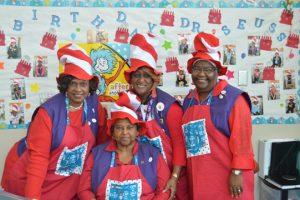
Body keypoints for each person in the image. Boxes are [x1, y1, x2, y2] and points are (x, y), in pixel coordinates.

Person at [1, 43, 108, 199]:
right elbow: (38, 159)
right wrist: (32, 198)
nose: (78, 89)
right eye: (73, 83)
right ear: (65, 85)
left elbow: (101, 145)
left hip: (68, 181)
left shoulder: (93, 105)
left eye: (83, 84)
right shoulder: (48, 112)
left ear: (90, 85)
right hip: (31, 177)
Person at [182, 32, 257, 199]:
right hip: (199, 177)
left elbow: (242, 140)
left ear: (217, 72)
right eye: (196, 68)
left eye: (208, 69)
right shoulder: (188, 100)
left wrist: (237, 172)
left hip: (228, 177)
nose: (201, 74)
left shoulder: (234, 99)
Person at [116, 33, 188, 200]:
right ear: (131, 78)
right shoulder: (124, 102)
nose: (141, 80)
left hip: (171, 175)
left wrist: (175, 177)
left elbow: (179, 145)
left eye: (147, 75)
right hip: (139, 175)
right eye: (137, 75)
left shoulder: (169, 106)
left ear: (155, 79)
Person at [78, 103, 171, 199]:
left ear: (137, 131)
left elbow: (164, 191)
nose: (125, 132)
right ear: (112, 132)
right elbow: (84, 189)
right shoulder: (96, 155)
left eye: (130, 127)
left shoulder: (153, 154)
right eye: (119, 128)